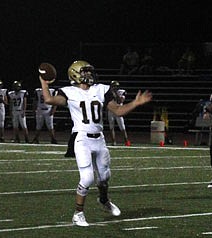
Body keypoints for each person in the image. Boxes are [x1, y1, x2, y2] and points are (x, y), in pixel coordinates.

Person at [38, 60, 152, 227]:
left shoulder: (101, 90)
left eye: (89, 71)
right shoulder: (68, 92)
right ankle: (78, 213)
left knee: (105, 178)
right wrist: (44, 82)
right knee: (87, 177)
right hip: (81, 138)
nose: (89, 75)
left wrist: (135, 103)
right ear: (75, 74)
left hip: (99, 138)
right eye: (85, 72)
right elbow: (48, 99)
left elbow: (118, 111)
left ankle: (104, 200)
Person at [107, 81, 130, 146]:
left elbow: (120, 101)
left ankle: (126, 140)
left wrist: (115, 94)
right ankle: (113, 141)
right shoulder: (108, 93)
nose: (114, 87)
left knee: (122, 127)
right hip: (111, 110)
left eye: (115, 86)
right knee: (111, 127)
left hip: (118, 110)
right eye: (113, 86)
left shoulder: (121, 92)